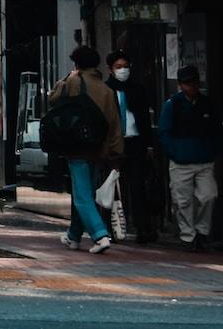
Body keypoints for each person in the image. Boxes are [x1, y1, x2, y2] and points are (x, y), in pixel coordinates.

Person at [49, 43, 120, 254]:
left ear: (77, 64)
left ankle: (100, 234)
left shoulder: (73, 81)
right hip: (98, 149)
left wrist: (67, 77)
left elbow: (53, 99)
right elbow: (115, 123)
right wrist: (116, 151)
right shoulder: (107, 90)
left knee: (82, 196)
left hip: (77, 145)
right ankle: (73, 236)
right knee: (86, 192)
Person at [160, 64, 218, 252]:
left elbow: (216, 130)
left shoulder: (207, 103)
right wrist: (174, 152)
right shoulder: (172, 105)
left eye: (194, 82)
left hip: (204, 159)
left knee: (208, 195)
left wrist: (212, 150)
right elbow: (165, 132)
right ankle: (188, 236)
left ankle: (201, 232)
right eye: (187, 83)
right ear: (180, 85)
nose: (191, 87)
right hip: (181, 160)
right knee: (182, 200)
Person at [106, 50, 158, 243]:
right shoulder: (106, 90)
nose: (123, 71)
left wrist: (149, 146)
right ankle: (112, 227)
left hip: (135, 142)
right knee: (112, 187)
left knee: (137, 187)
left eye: (125, 67)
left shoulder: (137, 90)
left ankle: (143, 228)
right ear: (110, 69)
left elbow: (144, 118)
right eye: (118, 67)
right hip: (114, 145)